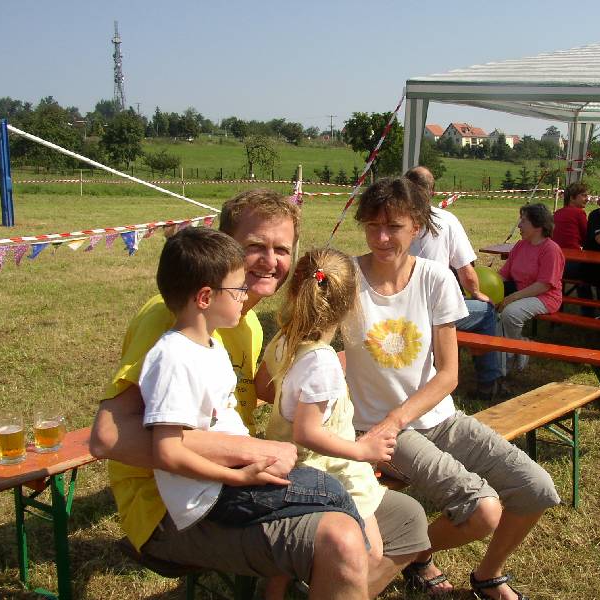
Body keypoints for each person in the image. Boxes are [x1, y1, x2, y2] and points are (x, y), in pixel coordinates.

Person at [89, 190, 422, 599]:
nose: (270, 260)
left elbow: (262, 396)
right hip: (171, 506)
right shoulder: (172, 319)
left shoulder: (246, 325)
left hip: (234, 484)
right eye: (255, 246)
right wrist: (252, 453)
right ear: (224, 247)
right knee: (341, 537)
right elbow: (107, 437)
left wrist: (326, 384)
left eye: (281, 250)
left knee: (408, 520)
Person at [344, 177, 560, 600]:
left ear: (417, 225)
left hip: (435, 418)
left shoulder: (435, 278)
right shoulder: (346, 278)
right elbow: (311, 338)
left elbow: (448, 375)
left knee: (536, 489)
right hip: (376, 431)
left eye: (394, 226)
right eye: (372, 226)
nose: (382, 238)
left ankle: (486, 575)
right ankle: (409, 559)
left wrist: (397, 417)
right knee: (482, 511)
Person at [139, 228, 364, 543]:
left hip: (231, 478)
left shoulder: (210, 346)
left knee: (324, 490)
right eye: (239, 288)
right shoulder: (172, 357)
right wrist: (240, 476)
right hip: (212, 495)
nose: (246, 295)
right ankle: (363, 562)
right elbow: (166, 451)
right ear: (205, 298)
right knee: (331, 492)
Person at [260, 248, 431, 597]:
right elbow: (306, 432)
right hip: (329, 472)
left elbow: (264, 387)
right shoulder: (322, 363)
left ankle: (276, 588)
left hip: (291, 465)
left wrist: (301, 392)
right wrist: (362, 450)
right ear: (352, 301)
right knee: (371, 553)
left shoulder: (284, 338)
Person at [405, 166, 502, 401]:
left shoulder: (393, 220)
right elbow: (466, 271)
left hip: (401, 307)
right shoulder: (446, 220)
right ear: (432, 191)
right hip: (432, 312)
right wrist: (476, 293)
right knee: (487, 312)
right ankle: (489, 382)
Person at [497, 203, 565, 379]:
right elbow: (503, 274)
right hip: (521, 292)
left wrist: (512, 297)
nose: (519, 225)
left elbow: (544, 285)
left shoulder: (551, 250)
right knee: (491, 310)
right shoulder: (520, 245)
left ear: (538, 225)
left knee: (510, 313)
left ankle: (514, 351)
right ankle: (513, 348)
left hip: (545, 297)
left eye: (524, 221)